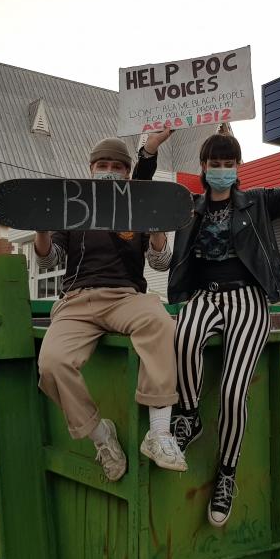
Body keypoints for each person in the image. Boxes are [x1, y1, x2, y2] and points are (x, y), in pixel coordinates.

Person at [168, 112, 280, 527]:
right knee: (182, 338)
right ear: (203, 168)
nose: (221, 171)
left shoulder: (256, 202)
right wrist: (151, 147)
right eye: (214, 164)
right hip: (203, 297)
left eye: (228, 163)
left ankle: (226, 473)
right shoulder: (188, 209)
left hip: (248, 300)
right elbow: (143, 200)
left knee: (235, 394)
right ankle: (188, 414)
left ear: (237, 168)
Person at [33, 130, 187, 481]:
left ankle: (160, 432)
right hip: (76, 300)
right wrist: (41, 232)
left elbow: (160, 262)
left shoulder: (137, 205)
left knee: (161, 323)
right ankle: (101, 436)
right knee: (52, 364)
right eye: (102, 165)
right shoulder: (73, 205)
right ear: (90, 168)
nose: (109, 171)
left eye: (117, 167)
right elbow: (47, 262)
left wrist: (159, 231)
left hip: (124, 297)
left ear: (127, 173)